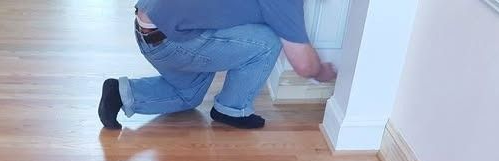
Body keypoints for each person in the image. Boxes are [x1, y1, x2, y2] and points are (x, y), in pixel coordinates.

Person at [99, 0, 337, 130]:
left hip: (151, 29)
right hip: (172, 43)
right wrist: (323, 71)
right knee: (267, 42)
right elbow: (304, 65)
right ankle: (232, 109)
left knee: (188, 97)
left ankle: (121, 93)